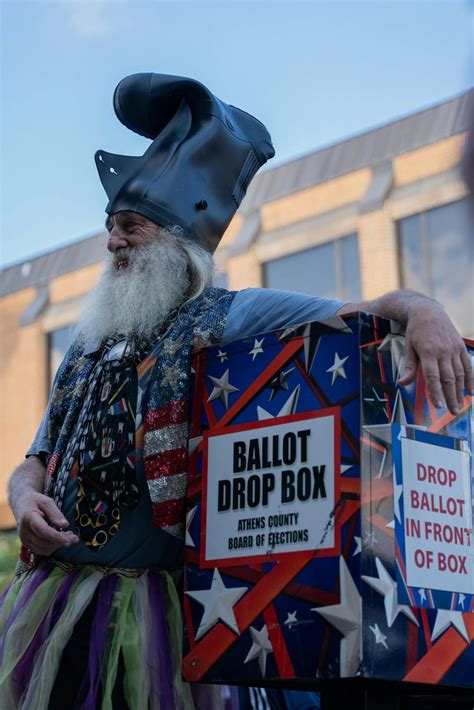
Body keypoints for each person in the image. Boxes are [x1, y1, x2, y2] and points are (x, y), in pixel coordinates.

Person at [1, 73, 472, 710]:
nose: (112, 241)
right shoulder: (85, 345)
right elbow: (34, 460)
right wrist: (25, 502)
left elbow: (363, 313)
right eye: (110, 225)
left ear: (176, 244)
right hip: (52, 603)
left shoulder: (228, 316)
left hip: (156, 616)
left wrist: (424, 311)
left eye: (131, 227)